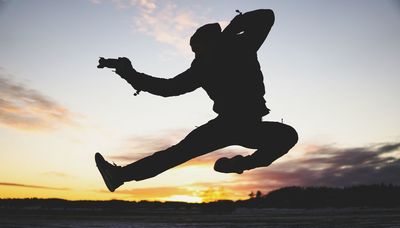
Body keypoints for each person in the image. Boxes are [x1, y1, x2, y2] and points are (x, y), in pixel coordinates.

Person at [95, 9, 298, 192]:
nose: (195, 54)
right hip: (233, 124)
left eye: (196, 49)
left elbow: (266, 16)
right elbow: (168, 88)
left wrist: (129, 74)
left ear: (208, 43)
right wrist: (129, 74)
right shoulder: (233, 50)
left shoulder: (235, 49)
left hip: (241, 125)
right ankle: (119, 176)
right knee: (286, 136)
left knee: (287, 136)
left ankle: (238, 165)